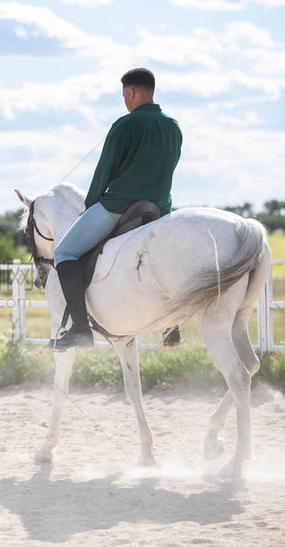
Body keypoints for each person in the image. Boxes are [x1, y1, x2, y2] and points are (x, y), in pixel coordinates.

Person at [51, 68, 183, 350]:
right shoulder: (174, 127)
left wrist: (89, 207)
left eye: (125, 95)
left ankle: (81, 329)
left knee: (64, 252)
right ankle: (173, 326)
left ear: (130, 92)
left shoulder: (124, 125)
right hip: (160, 209)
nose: (125, 100)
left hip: (119, 206)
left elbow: (104, 173)